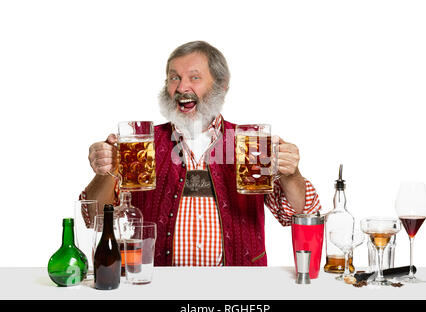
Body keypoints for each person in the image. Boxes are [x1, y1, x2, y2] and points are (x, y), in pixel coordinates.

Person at [81, 41, 321, 266]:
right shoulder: (140, 143)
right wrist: (107, 170)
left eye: (194, 77)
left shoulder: (251, 144)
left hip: (241, 288)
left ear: (221, 85)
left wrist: (291, 174)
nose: (182, 87)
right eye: (174, 77)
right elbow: (94, 217)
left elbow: (302, 213)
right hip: (154, 286)